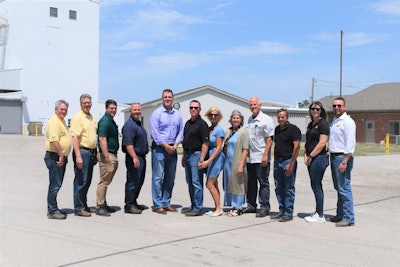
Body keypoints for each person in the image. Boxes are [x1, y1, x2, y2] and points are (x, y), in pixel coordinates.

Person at [150, 89, 183, 214]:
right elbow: (155, 133)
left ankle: (166, 202)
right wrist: (166, 146)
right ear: (162, 98)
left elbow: (181, 131)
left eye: (169, 97)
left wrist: (175, 145)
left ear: (173, 98)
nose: (167, 99)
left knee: (170, 177)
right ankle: (158, 204)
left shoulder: (177, 114)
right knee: (158, 177)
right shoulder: (156, 114)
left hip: (173, 148)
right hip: (159, 148)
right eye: (165, 97)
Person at [328, 97, 356, 227]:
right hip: (333, 157)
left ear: (344, 107)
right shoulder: (334, 120)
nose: (336, 108)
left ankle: (349, 217)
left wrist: (345, 161)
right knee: (338, 187)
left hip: (342, 157)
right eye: (334, 106)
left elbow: (350, 143)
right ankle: (340, 215)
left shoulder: (348, 122)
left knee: (344, 187)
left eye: (339, 106)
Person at [245, 96, 275, 218]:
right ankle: (251, 205)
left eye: (255, 104)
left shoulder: (266, 119)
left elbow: (269, 139)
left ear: (260, 105)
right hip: (250, 157)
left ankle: (264, 207)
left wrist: (265, 155)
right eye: (251, 105)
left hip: (261, 157)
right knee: (251, 183)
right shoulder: (249, 120)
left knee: (263, 182)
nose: (252, 107)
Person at [70, 94, 98, 217]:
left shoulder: (91, 117)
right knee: (81, 181)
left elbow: (93, 136)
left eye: (89, 102)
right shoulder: (77, 117)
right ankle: (78, 208)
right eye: (85, 102)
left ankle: (84, 205)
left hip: (91, 152)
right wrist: (78, 156)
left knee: (87, 181)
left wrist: (95, 153)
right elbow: (75, 138)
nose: (87, 104)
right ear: (81, 104)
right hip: (82, 152)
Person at [272, 108, 301, 222]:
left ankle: (288, 212)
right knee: (279, 188)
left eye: (283, 117)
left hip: (288, 161)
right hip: (277, 162)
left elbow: (297, 147)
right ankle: (281, 211)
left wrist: (291, 163)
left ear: (287, 117)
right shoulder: (277, 129)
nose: (281, 119)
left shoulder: (293, 129)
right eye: (279, 117)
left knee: (288, 188)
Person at [181, 100, 209, 217]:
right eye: (191, 107)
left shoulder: (202, 124)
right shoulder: (188, 123)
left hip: (196, 156)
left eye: (196, 108)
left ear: (200, 110)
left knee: (196, 183)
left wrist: (201, 158)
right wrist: (183, 156)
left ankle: (198, 208)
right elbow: (185, 140)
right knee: (190, 182)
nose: (193, 109)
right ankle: (193, 205)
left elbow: (205, 143)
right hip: (187, 155)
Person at [44, 100, 71, 220]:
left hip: (60, 156)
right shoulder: (54, 121)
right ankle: (52, 210)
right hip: (55, 156)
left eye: (65, 109)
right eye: (61, 109)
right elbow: (54, 140)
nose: (64, 111)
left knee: (57, 184)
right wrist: (61, 155)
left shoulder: (61, 121)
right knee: (55, 184)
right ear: (56, 109)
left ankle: (54, 208)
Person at [303, 101, 330, 223]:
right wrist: (305, 154)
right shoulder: (310, 124)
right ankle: (318, 211)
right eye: (313, 108)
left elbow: (322, 143)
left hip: (319, 158)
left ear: (321, 111)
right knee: (314, 185)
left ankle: (320, 215)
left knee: (316, 185)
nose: (315, 111)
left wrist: (311, 156)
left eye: (317, 109)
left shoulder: (323, 124)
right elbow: (308, 142)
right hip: (311, 158)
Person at [122, 103, 149, 215]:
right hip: (135, 157)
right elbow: (128, 144)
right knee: (133, 181)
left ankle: (133, 201)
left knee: (139, 181)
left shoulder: (137, 124)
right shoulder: (129, 126)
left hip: (141, 157)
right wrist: (134, 157)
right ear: (130, 111)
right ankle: (129, 205)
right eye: (135, 110)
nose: (137, 112)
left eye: (138, 109)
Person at [199, 107, 225, 217]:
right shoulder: (210, 128)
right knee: (214, 184)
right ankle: (217, 207)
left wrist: (208, 161)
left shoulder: (219, 130)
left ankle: (218, 208)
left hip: (216, 158)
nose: (213, 117)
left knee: (209, 184)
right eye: (211, 114)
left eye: (215, 115)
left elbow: (219, 148)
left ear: (219, 116)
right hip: (211, 157)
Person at [223, 110, 249, 217]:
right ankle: (233, 206)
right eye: (234, 118)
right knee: (230, 184)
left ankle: (238, 208)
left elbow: (245, 149)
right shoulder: (228, 131)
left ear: (241, 120)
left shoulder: (243, 132)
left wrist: (241, 165)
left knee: (238, 184)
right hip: (228, 162)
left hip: (237, 162)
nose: (235, 120)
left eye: (238, 118)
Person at [95, 99, 119, 217]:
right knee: (104, 182)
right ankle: (100, 206)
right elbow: (102, 138)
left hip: (112, 153)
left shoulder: (111, 121)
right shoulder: (105, 121)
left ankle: (103, 203)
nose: (113, 110)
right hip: (107, 154)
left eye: (115, 108)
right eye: (111, 108)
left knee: (107, 181)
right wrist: (106, 156)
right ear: (106, 108)